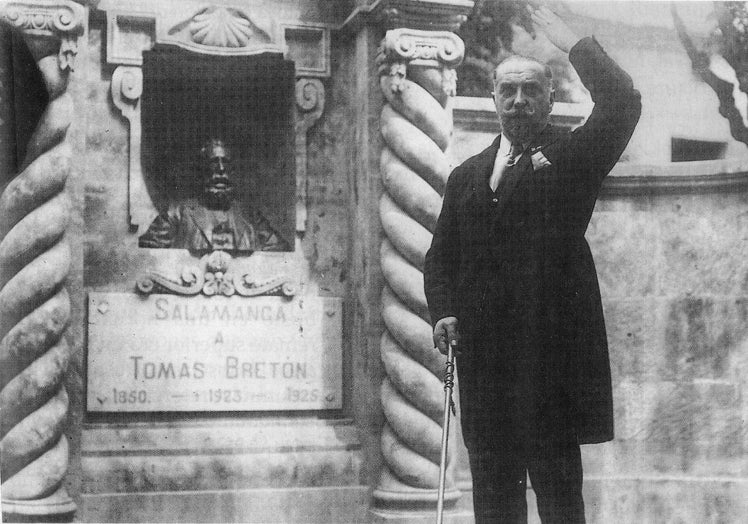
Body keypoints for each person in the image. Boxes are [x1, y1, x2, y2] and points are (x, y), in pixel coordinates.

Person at [424, 7, 641, 523]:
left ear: (549, 100)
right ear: (495, 99)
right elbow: (441, 258)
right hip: (487, 375)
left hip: (550, 377)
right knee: (495, 508)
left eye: (531, 92)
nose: (519, 102)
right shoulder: (466, 176)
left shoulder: (574, 159)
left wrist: (575, 46)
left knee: (561, 507)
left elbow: (623, 102)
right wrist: (445, 310)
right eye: (508, 92)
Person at [139, 138, 290, 253]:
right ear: (202, 169)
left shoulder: (251, 217)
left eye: (226, 163)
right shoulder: (177, 213)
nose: (221, 169)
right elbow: (148, 251)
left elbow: (279, 253)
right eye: (213, 162)